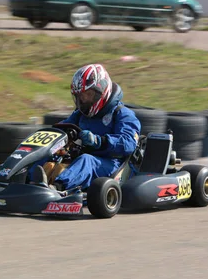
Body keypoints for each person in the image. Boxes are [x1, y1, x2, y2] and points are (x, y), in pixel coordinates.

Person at [30, 63, 141, 191]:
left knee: (86, 160)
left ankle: (57, 187)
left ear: (102, 90)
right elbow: (61, 128)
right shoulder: (79, 115)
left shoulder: (122, 114)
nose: (84, 100)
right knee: (47, 154)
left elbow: (128, 143)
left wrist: (98, 141)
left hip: (112, 164)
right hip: (81, 160)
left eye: (88, 94)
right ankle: (26, 182)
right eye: (80, 96)